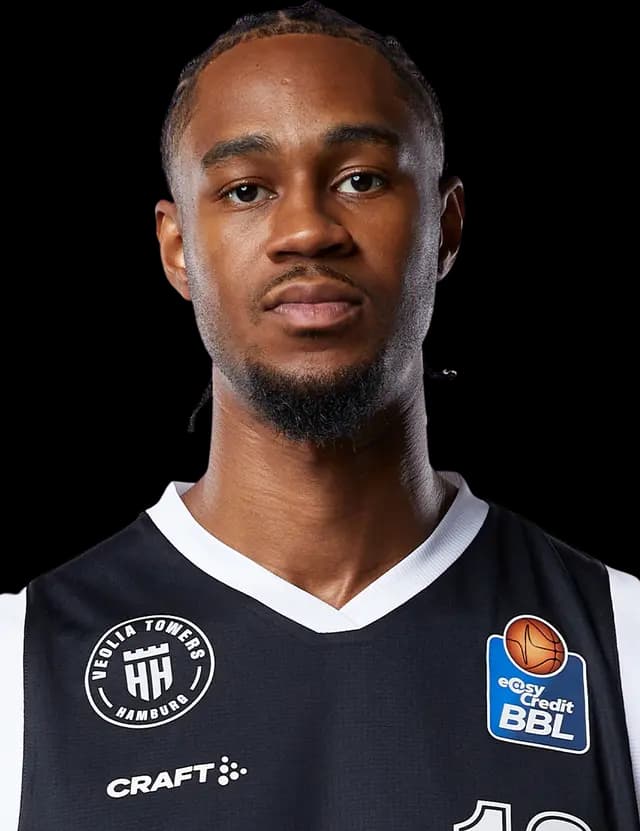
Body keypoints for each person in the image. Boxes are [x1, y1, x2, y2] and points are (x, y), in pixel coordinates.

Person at [1, 3, 638, 829]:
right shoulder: (21, 662)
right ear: (177, 248)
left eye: (361, 179)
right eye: (246, 189)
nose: (306, 230)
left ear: (445, 228)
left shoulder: (620, 638)